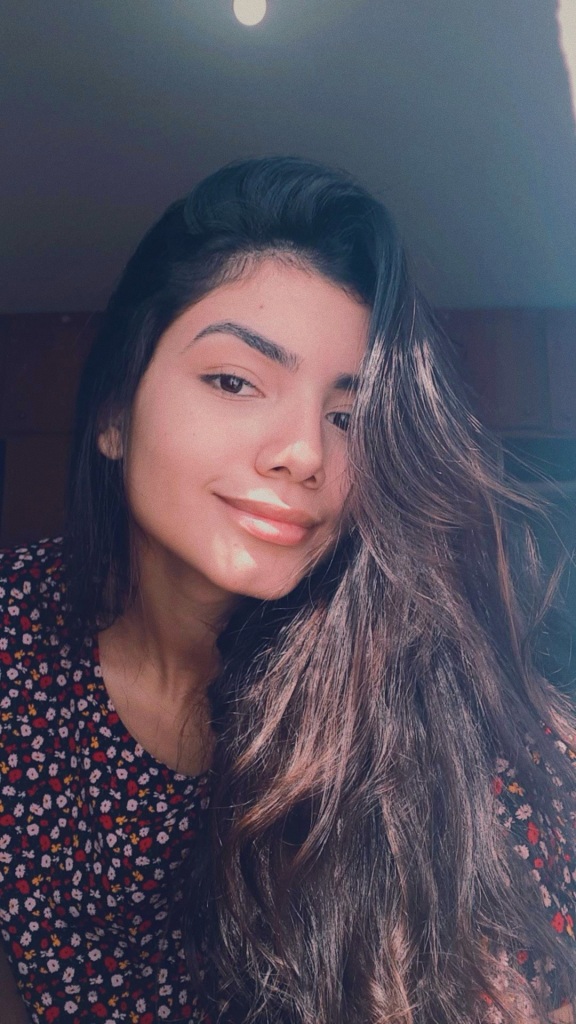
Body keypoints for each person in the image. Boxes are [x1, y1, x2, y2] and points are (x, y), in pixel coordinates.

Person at [0, 157, 574, 1024]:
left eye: (348, 416)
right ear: (116, 410)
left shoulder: (426, 685)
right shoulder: (16, 639)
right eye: (235, 381)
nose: (306, 452)